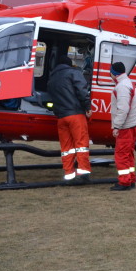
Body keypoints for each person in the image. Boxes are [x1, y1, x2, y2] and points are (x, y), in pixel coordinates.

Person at [46, 53, 93, 184]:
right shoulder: (73, 73)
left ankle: (69, 174)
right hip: (76, 115)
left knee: (66, 147)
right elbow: (82, 91)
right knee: (81, 144)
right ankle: (83, 173)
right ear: (68, 63)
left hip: (61, 117)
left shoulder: (52, 78)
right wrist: (87, 107)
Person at [108, 61, 136, 191]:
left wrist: (117, 126)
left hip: (125, 127)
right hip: (132, 124)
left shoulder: (121, 86)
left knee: (121, 154)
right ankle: (130, 179)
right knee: (128, 153)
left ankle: (124, 182)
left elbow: (123, 109)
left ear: (114, 73)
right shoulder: (129, 83)